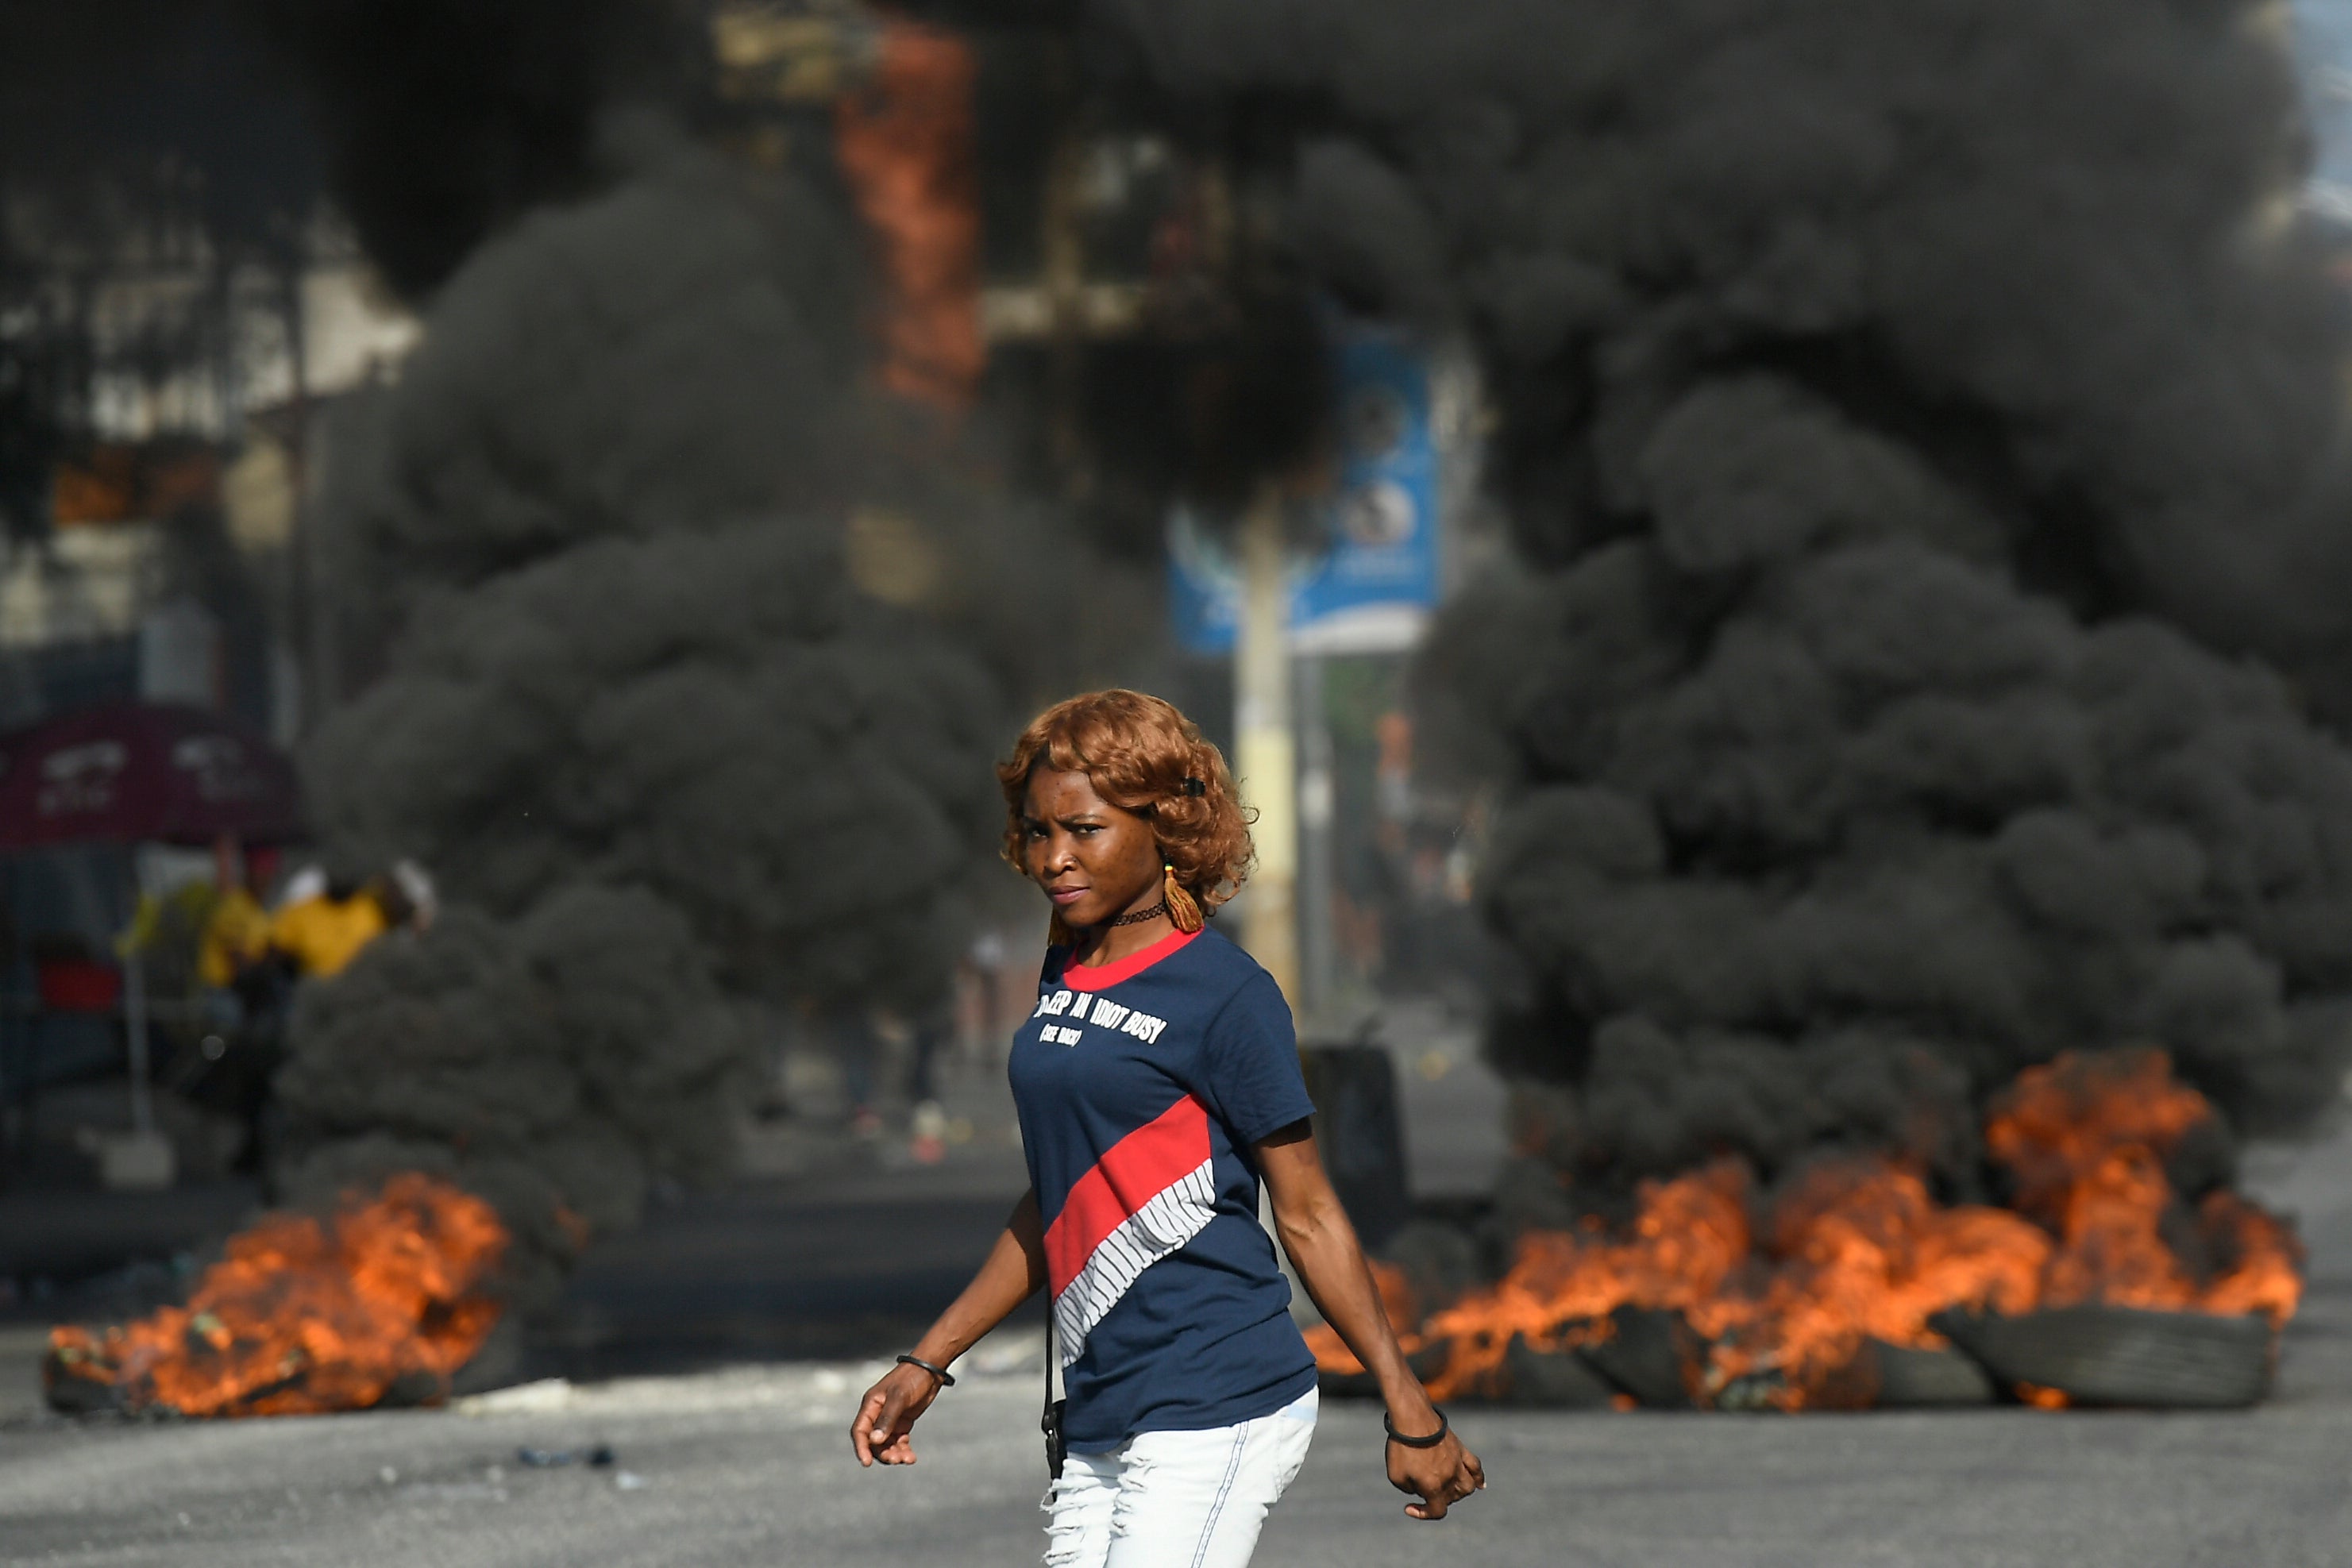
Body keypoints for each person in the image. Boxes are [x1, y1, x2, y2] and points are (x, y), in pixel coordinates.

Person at [850, 690, 1483, 1566]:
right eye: (1038, 832)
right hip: (1102, 1400)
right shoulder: (1064, 967)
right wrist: (928, 1361)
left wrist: (1406, 1400)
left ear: (1167, 825)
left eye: (1084, 829)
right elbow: (1064, 1198)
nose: (1054, 858)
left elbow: (1307, 1212)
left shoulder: (1226, 995)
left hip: (1216, 1394)